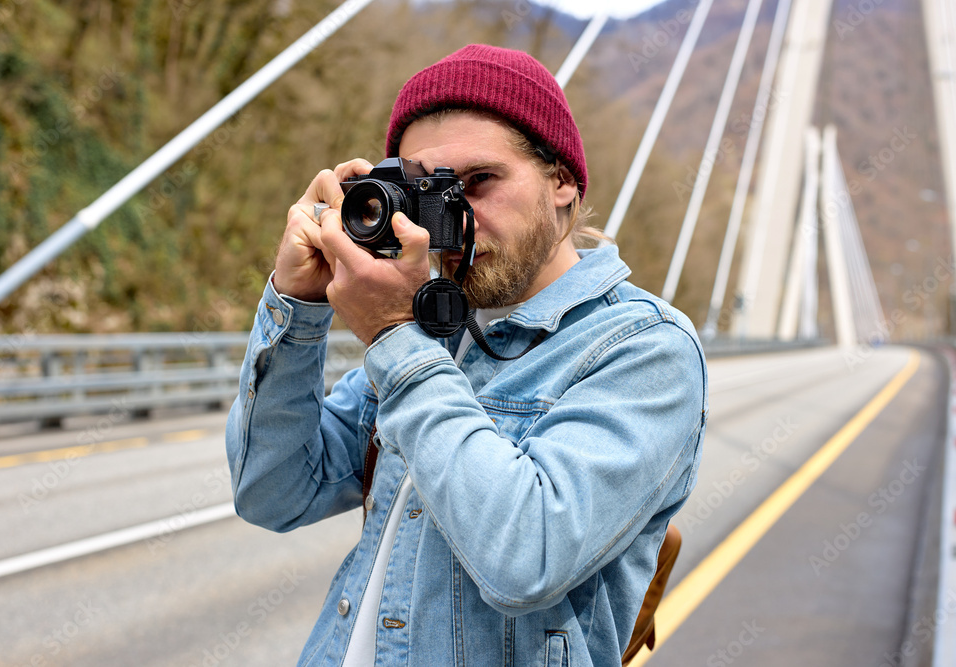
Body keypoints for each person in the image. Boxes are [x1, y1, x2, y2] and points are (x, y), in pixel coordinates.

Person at [226, 44, 707, 666]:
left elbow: (525, 559)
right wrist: (299, 304)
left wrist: (396, 339)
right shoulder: (438, 328)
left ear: (562, 181)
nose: (454, 215)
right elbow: (274, 493)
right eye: (430, 189)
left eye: (478, 182)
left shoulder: (644, 348)